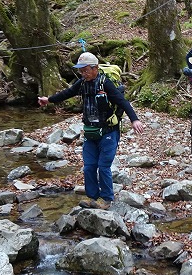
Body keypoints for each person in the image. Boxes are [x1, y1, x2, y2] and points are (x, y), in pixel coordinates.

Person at [38, 52, 145, 208]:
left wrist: (134, 119)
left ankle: (106, 199)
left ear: (95, 68)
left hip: (108, 132)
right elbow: (67, 93)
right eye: (81, 70)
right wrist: (48, 100)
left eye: (86, 70)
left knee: (103, 167)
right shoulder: (82, 83)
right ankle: (93, 198)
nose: (83, 73)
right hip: (90, 132)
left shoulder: (105, 83)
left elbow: (123, 102)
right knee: (89, 167)